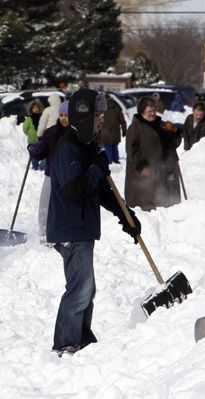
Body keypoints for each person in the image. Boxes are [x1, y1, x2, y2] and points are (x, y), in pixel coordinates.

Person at [47, 89, 141, 356]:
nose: (102, 120)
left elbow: (99, 190)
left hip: (81, 227)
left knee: (86, 288)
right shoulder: (67, 148)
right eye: (98, 115)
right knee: (79, 288)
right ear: (85, 116)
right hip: (70, 228)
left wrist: (126, 217)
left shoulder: (87, 147)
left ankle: (81, 337)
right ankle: (66, 344)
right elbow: (75, 189)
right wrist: (97, 168)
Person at [125, 96, 182, 210]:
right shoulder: (135, 128)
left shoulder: (161, 125)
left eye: (154, 110)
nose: (153, 113)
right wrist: (142, 166)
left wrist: (175, 131)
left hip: (163, 171)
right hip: (145, 172)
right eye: (149, 111)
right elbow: (131, 150)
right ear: (142, 112)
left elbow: (173, 144)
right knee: (148, 204)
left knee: (165, 204)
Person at [30, 99, 69, 240]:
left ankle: (63, 231)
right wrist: (33, 151)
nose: (64, 118)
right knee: (45, 203)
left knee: (64, 206)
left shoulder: (75, 134)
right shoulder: (50, 133)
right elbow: (41, 152)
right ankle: (44, 231)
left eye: (67, 115)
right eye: (62, 115)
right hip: (51, 174)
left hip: (68, 177)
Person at [99, 94, 127, 164]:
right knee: (114, 146)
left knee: (107, 146)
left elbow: (98, 120)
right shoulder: (117, 107)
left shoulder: (102, 108)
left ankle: (109, 160)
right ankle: (116, 159)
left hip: (105, 132)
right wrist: (124, 131)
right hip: (115, 131)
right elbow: (122, 121)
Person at [22, 100, 45, 169]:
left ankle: (42, 167)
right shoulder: (29, 119)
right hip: (32, 141)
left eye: (37, 107)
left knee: (43, 154)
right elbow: (25, 129)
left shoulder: (42, 118)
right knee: (33, 155)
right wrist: (30, 134)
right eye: (34, 108)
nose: (36, 109)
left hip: (41, 140)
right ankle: (35, 168)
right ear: (31, 110)